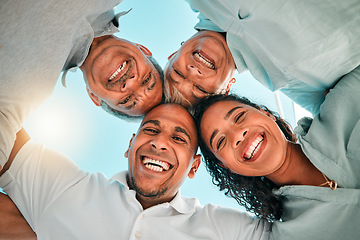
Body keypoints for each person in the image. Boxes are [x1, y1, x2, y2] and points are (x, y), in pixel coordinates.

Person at [0, 103, 270, 240]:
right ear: (130, 146)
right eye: (151, 130)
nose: (160, 142)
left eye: (179, 139)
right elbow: (5, 124)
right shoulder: (67, 188)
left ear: (194, 167)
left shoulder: (225, 229)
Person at [192, 66, 360, 239]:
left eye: (239, 116)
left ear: (266, 113)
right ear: (227, 167)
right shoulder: (290, 235)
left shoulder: (347, 98)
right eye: (220, 141)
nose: (237, 136)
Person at [0, 0, 164, 166]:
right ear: (143, 49)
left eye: (126, 100)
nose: (129, 84)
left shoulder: (29, 85)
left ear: (93, 96)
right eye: (146, 79)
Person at [164, 0, 360, 113]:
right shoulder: (290, 82)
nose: (193, 71)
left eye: (178, 74)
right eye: (199, 88)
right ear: (226, 89)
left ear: (173, 54)